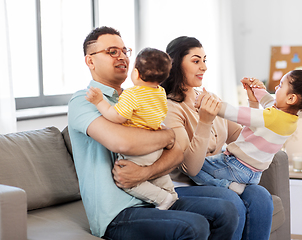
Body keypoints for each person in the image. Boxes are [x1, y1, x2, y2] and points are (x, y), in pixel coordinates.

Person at [68, 26, 238, 240]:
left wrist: (147, 170)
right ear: (90, 61)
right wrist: (167, 137)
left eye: (124, 51)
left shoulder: (141, 96)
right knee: (193, 227)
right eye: (112, 51)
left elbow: (177, 153)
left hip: (153, 197)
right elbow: (123, 143)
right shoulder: (83, 100)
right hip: (118, 212)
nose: (121, 56)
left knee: (226, 211)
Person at [161, 36, 273, 240]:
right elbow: (191, 169)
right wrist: (205, 121)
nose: (203, 67)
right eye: (196, 61)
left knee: (261, 197)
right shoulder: (169, 108)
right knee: (232, 202)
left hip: (219, 179)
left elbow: (243, 139)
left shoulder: (209, 98)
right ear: (175, 64)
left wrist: (253, 103)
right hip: (184, 186)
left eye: (205, 60)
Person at [190, 70, 302, 194]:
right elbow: (270, 102)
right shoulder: (290, 119)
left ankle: (224, 185)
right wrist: (257, 89)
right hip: (254, 174)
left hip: (236, 166)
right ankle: (232, 185)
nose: (276, 88)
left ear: (291, 98)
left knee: (191, 166)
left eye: (281, 86)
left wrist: (209, 102)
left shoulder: (271, 117)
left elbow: (235, 113)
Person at [85, 47, 177, 210]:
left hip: (139, 152)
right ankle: (172, 194)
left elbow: (116, 116)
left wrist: (99, 101)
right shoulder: (160, 92)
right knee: (159, 176)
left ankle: (163, 198)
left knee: (129, 184)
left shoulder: (132, 94)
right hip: (156, 148)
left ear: (136, 73)